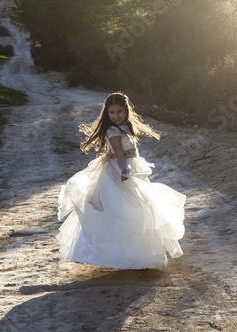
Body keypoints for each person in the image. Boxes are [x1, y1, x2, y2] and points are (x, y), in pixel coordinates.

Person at [57, 92, 185, 269]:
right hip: (118, 173)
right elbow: (120, 156)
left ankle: (138, 256)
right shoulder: (112, 131)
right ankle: (127, 257)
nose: (116, 116)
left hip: (128, 170)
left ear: (126, 111)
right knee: (126, 213)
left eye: (119, 111)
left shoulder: (126, 127)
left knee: (135, 211)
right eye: (111, 112)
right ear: (106, 113)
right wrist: (125, 170)